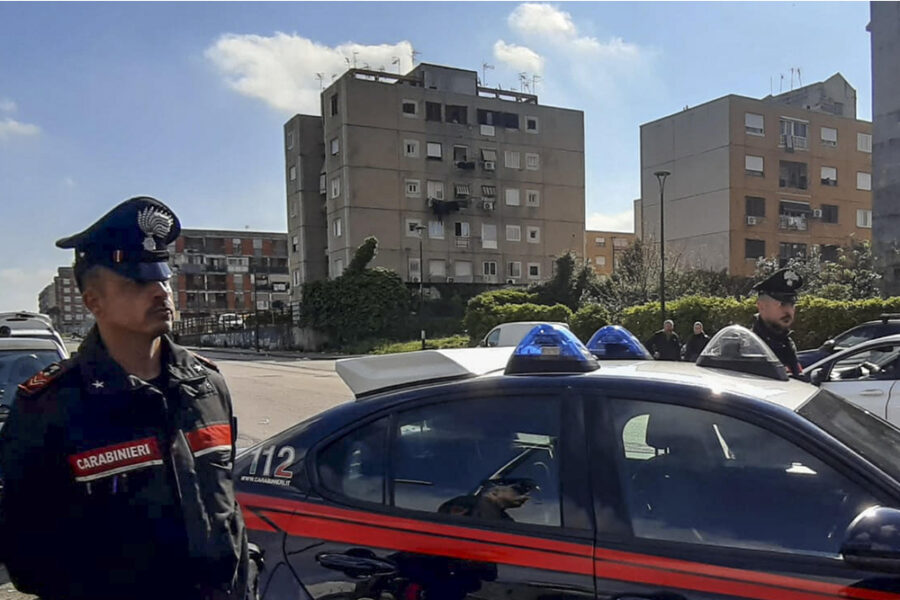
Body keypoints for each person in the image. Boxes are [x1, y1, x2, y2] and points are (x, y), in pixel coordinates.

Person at [0, 197, 248, 600]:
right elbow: (28, 558)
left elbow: (226, 508)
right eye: (137, 282)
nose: (160, 292)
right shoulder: (50, 407)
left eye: (163, 278)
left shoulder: (206, 386)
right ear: (93, 301)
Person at [751, 267, 804, 376]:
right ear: (761, 306)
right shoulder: (750, 346)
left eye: (792, 304)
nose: (788, 310)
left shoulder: (786, 343)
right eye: (782, 304)